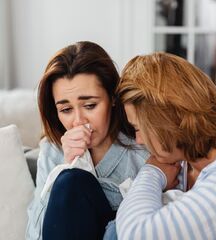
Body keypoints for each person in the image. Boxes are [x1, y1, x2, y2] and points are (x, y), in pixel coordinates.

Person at [26, 41, 149, 240]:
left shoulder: (141, 148)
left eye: (90, 105)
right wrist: (66, 165)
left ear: (113, 98)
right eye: (66, 110)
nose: (78, 121)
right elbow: (34, 235)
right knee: (68, 179)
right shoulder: (52, 150)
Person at [116, 52, 216, 239]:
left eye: (139, 128)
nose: (139, 140)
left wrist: (152, 172)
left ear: (167, 120)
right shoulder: (183, 166)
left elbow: (137, 235)